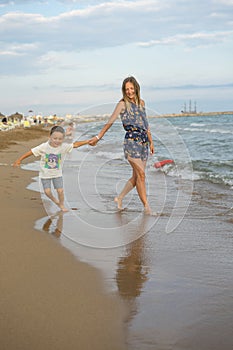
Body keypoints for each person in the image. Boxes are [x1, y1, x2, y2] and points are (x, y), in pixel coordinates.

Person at [89, 76, 155, 215]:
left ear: (136, 88)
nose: (130, 91)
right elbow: (110, 122)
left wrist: (151, 142)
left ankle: (119, 198)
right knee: (141, 175)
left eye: (131, 88)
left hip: (143, 142)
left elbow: (146, 124)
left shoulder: (142, 103)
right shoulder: (122, 104)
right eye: (127, 89)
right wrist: (98, 137)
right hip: (131, 141)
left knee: (137, 177)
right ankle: (147, 207)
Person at [14, 125, 90, 212]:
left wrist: (87, 141)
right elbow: (31, 152)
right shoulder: (43, 146)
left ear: (63, 138)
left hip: (57, 174)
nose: (57, 141)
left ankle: (61, 205)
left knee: (60, 191)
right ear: (50, 137)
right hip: (45, 174)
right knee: (47, 192)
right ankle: (56, 202)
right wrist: (19, 160)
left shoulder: (63, 146)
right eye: (55, 138)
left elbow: (75, 145)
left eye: (60, 139)